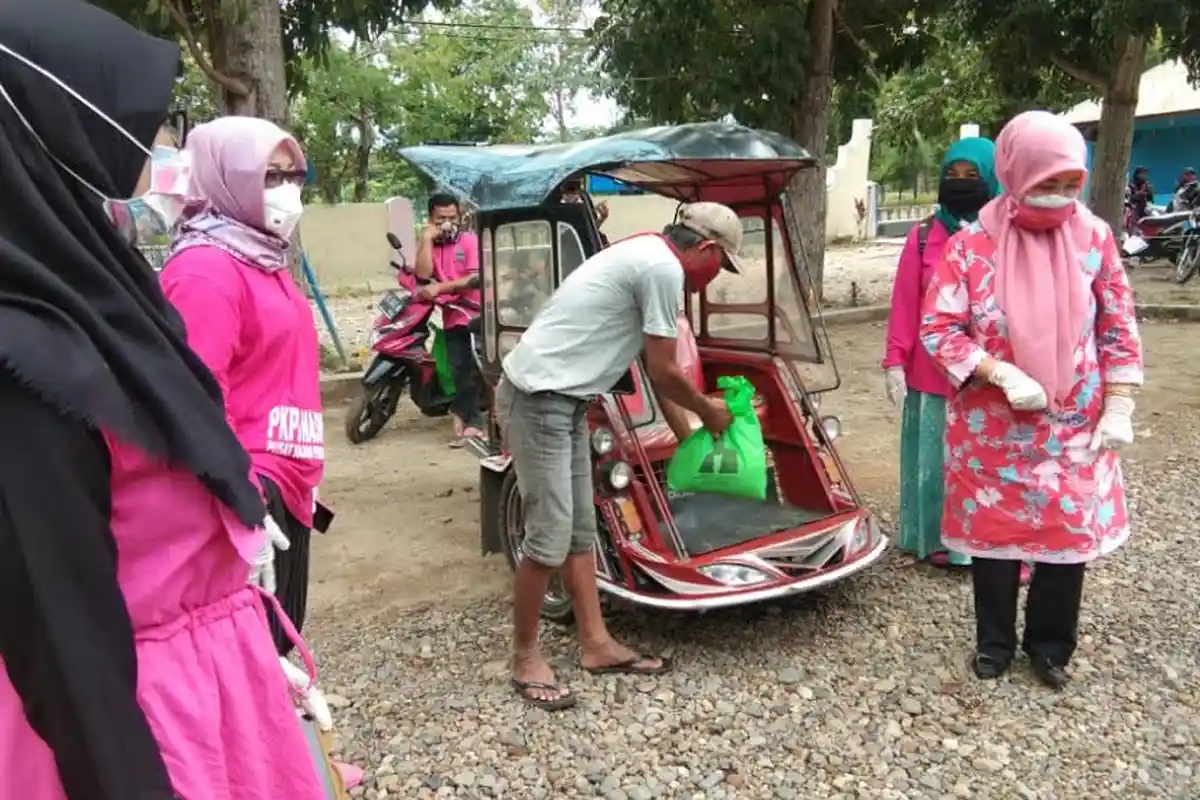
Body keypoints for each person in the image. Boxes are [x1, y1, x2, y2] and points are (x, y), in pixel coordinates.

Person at [0, 2, 325, 798]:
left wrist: (238, 630)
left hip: (204, 681)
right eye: (131, 144)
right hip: (138, 733)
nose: (152, 167)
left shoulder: (96, 302)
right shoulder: (26, 366)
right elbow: (66, 650)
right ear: (50, 152)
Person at [920, 111, 1143, 689]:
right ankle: (993, 644)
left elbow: (1117, 324)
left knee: (1065, 536)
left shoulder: (1094, 238)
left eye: (1071, 183)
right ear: (1016, 174)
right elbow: (939, 329)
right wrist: (997, 371)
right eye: (1048, 183)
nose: (1059, 195)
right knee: (994, 538)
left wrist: (1119, 401)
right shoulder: (972, 246)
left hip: (1073, 422)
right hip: (992, 427)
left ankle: (1050, 647)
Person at [496, 202, 743, 710]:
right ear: (706, 249)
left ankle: (596, 644)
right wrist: (709, 413)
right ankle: (524, 657)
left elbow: (657, 371)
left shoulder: (649, 253)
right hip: (538, 399)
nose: (715, 277)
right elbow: (666, 370)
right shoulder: (662, 269)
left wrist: (690, 440)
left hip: (565, 401)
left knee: (579, 531)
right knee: (548, 537)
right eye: (721, 264)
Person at [159, 116, 326, 659]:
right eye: (270, 176)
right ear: (226, 178)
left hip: (287, 485)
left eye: (294, 176)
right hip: (247, 490)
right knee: (247, 657)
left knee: (277, 646)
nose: (287, 190)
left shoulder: (263, 258)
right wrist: (241, 503)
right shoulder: (206, 270)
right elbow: (196, 402)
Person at [883, 137, 1000, 571]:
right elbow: (904, 304)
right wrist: (895, 362)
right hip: (931, 377)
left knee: (987, 466)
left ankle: (992, 544)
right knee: (935, 465)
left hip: (988, 377)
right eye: (952, 175)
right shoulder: (922, 237)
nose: (961, 183)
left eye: (972, 176)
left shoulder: (1006, 236)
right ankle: (935, 539)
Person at [415, 192, 484, 445]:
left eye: (452, 218)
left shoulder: (469, 241)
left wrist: (441, 288)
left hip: (476, 313)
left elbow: (473, 279)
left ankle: (475, 422)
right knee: (459, 369)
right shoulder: (429, 244)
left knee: (475, 368)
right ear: (430, 219)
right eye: (441, 218)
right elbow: (423, 274)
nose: (448, 223)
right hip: (452, 315)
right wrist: (426, 239)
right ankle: (468, 418)